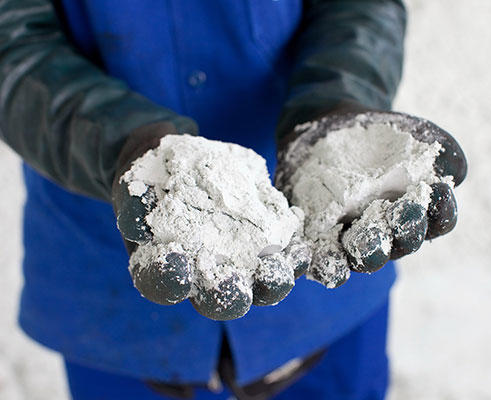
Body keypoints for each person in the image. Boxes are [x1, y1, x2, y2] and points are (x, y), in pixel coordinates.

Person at [0, 0, 466, 399]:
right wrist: (124, 144)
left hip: (321, 239)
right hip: (111, 275)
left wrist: (339, 99)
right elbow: (11, 42)